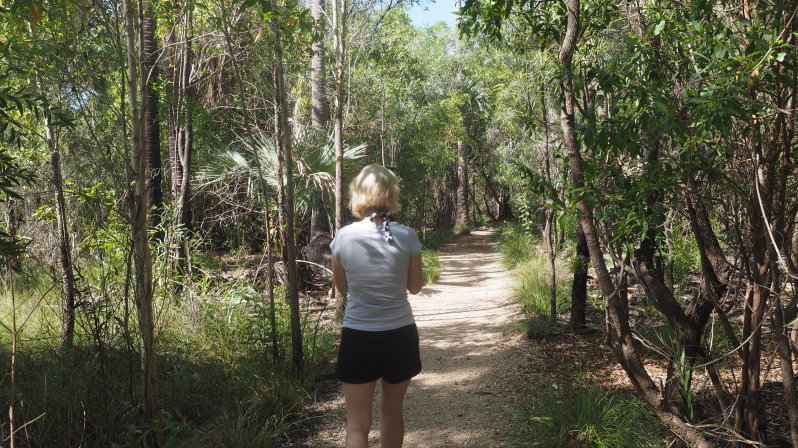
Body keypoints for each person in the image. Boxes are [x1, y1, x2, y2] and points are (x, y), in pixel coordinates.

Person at [329, 164, 424, 448]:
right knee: (392, 414)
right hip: (399, 335)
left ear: (358, 194)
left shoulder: (343, 237)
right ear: (391, 194)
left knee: (357, 425)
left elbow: (343, 289)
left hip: (359, 336)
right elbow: (415, 287)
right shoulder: (406, 236)